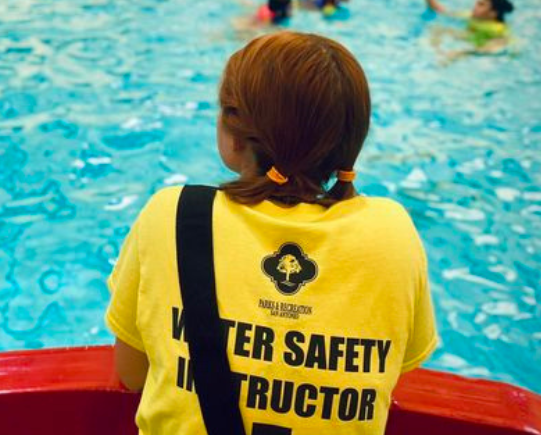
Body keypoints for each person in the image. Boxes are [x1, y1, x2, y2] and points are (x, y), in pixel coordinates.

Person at [106, 31, 437, 434]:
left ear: (234, 132)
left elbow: (133, 374)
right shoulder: (393, 235)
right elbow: (391, 374)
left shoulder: (173, 215)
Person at [415, 0, 515, 60]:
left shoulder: (498, 30)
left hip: (481, 49)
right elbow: (441, 11)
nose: (475, 6)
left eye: (481, 4)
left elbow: (495, 49)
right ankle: (435, 54)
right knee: (437, 29)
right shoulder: (471, 16)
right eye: (477, 2)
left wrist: (463, 53)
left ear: (493, 13)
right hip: (470, 38)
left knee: (456, 53)